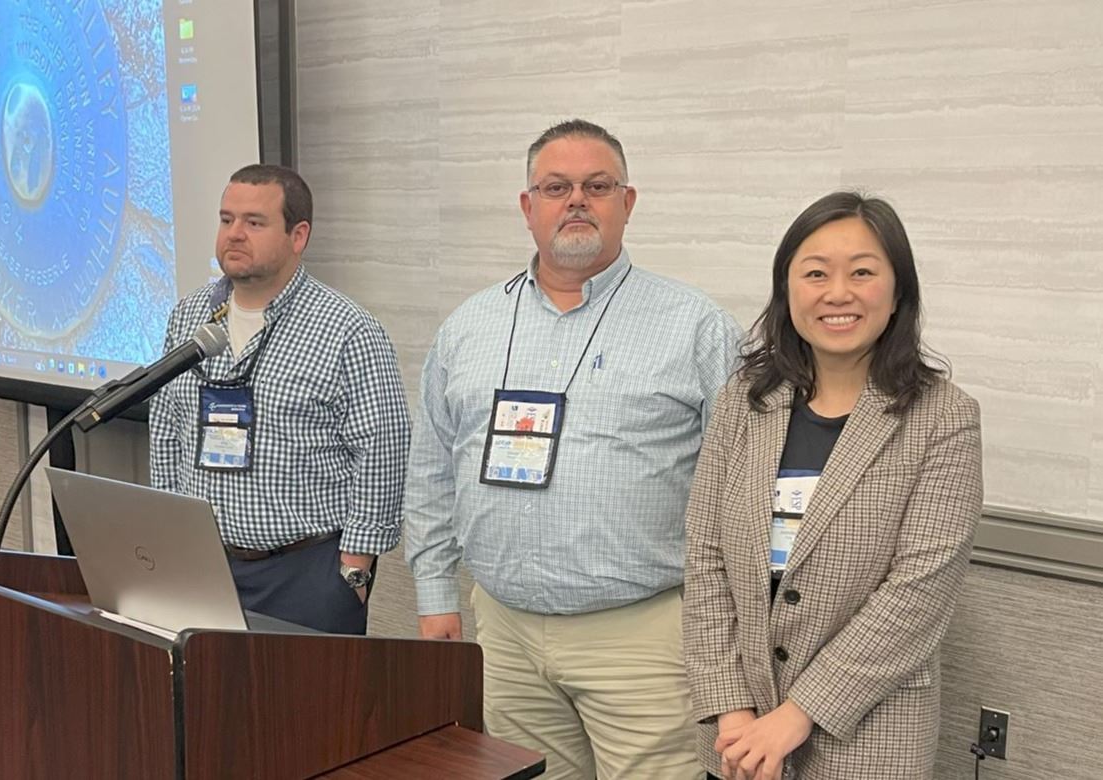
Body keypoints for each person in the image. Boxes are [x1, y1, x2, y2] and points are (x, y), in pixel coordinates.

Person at [404, 119, 743, 779]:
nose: (577, 200)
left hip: (643, 638)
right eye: (556, 187)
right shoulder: (468, 327)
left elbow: (739, 492)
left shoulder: (698, 328)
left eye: (597, 185)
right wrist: (435, 592)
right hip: (503, 631)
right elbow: (433, 472)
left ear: (628, 202)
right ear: (528, 208)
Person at [683, 191, 984, 780]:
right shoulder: (745, 402)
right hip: (738, 731)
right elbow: (705, 555)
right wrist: (730, 706)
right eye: (815, 273)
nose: (837, 293)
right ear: (787, 290)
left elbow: (917, 593)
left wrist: (796, 716)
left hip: (871, 730)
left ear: (898, 293)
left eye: (863, 273)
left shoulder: (945, 417)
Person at [149, 164, 411, 635]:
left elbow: (384, 450)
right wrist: (174, 539)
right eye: (226, 219)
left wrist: (354, 569)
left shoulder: (347, 329)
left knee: (308, 709)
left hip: (304, 574)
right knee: (212, 706)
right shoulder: (189, 314)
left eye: (254, 222)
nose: (234, 234)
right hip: (202, 567)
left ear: (298, 235)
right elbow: (168, 428)